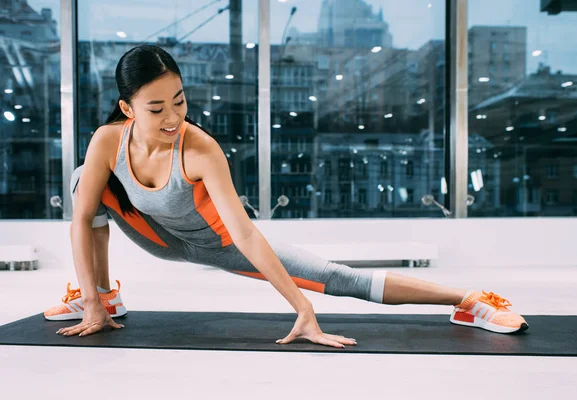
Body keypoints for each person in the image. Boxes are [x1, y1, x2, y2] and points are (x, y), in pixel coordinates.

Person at [46, 45, 528, 347]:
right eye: (156, 108)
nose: (174, 117)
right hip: (156, 235)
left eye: (180, 101)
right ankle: (105, 298)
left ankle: (469, 299)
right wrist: (88, 300)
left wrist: (302, 307)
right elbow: (81, 218)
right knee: (80, 179)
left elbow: (246, 235)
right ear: (127, 107)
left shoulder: (200, 149)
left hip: (224, 243)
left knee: (337, 278)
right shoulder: (108, 140)